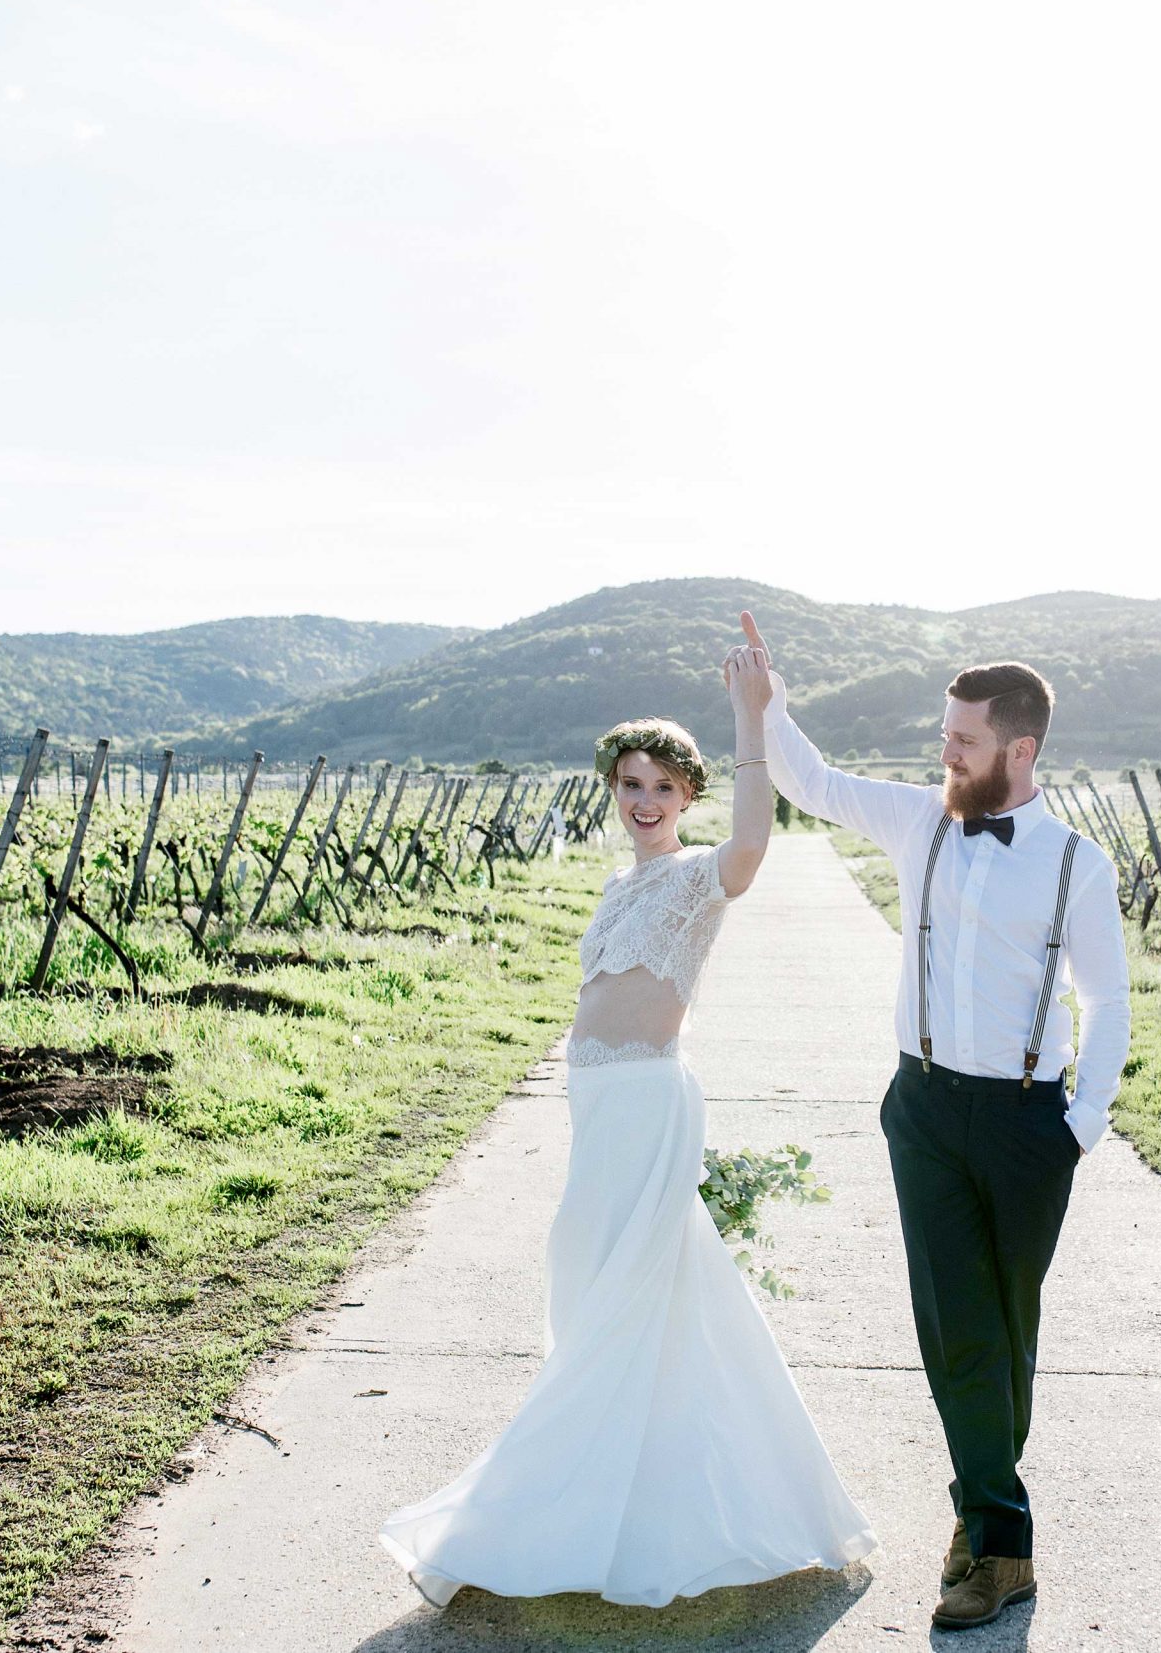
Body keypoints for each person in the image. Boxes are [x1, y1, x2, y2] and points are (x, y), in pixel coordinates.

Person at [378, 638, 875, 1608]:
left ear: (686, 792)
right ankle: (637, 1487)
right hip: (596, 1106)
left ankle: (552, 1508)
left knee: (623, 1293)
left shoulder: (698, 874)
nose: (642, 798)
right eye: (628, 782)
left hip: (648, 1100)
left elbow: (752, 845)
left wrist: (749, 717)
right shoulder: (617, 884)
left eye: (659, 784)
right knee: (597, 1284)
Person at [730, 610, 1131, 1632]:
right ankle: (1000, 1549)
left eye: (962, 738)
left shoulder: (1077, 863)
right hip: (924, 1106)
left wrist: (1079, 1123)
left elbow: (1106, 998)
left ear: (1019, 748)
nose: (942, 750)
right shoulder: (920, 820)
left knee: (1006, 1330)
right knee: (958, 1328)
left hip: (1027, 1119)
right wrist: (765, 704)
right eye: (944, 733)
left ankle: (982, 1514)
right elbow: (813, 783)